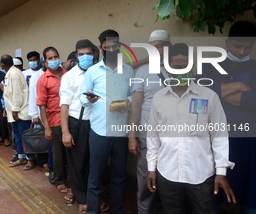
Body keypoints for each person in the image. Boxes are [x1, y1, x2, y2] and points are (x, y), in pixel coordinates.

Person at [146, 43, 236, 213]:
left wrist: (221, 171)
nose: (181, 71)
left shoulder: (208, 97)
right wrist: (151, 168)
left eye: (186, 66)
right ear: (167, 68)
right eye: (176, 66)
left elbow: (219, 135)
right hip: (168, 172)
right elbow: (153, 135)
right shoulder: (159, 98)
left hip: (201, 174)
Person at [198, 21, 256, 213]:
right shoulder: (209, 67)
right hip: (212, 144)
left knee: (250, 195)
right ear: (227, 42)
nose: (242, 51)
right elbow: (197, 99)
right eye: (237, 46)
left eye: (248, 47)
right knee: (210, 195)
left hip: (248, 146)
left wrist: (216, 93)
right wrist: (240, 87)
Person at [80, 29, 134, 213]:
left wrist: (128, 102)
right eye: (107, 47)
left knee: (119, 177)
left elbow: (134, 95)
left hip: (120, 132)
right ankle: (93, 211)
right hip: (99, 132)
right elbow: (82, 98)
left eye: (114, 46)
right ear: (101, 49)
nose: (111, 49)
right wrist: (88, 99)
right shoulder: (92, 71)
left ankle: (116, 210)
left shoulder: (127, 70)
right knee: (95, 177)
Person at [127, 30, 171, 214]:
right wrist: (132, 137)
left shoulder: (181, 68)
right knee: (146, 179)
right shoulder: (142, 72)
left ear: (169, 47)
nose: (157, 51)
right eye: (152, 48)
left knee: (171, 180)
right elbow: (135, 106)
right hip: (148, 134)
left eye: (160, 46)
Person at [60, 39, 94, 212]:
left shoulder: (99, 72)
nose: (86, 57)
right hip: (77, 124)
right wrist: (65, 132)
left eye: (89, 53)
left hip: (97, 124)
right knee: (77, 163)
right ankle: (83, 199)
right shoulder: (69, 76)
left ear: (94, 54)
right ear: (76, 56)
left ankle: (91, 194)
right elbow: (64, 105)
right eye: (82, 54)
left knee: (92, 162)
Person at [37, 46, 70, 195]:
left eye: (56, 57)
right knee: (57, 153)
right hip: (55, 120)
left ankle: (73, 178)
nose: (54, 60)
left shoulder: (67, 74)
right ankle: (60, 180)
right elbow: (42, 106)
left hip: (72, 117)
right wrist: (47, 128)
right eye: (50, 58)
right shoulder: (43, 80)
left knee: (72, 151)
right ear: (44, 62)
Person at [0, 55, 36, 169]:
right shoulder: (10, 73)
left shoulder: (14, 74)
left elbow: (17, 94)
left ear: (2, 65)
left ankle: (30, 159)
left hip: (19, 112)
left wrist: (15, 110)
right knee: (18, 137)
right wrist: (8, 108)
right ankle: (22, 157)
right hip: (14, 111)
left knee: (25, 137)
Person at [28, 54, 52, 182]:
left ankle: (51, 161)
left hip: (52, 112)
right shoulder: (36, 76)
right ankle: (43, 161)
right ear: (43, 63)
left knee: (50, 139)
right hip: (39, 111)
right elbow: (32, 95)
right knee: (42, 137)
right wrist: (34, 115)